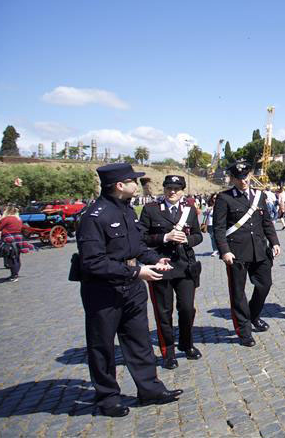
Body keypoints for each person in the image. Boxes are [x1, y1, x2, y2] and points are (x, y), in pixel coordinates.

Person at [76, 163, 182, 417]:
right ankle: (107, 398)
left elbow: (136, 246)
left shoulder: (127, 211)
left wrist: (153, 259)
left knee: (139, 340)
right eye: (133, 180)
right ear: (119, 185)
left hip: (132, 287)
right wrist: (137, 272)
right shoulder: (94, 216)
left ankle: (150, 389)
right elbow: (93, 262)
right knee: (102, 346)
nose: (138, 184)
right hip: (104, 291)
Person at [212, 160, 281, 347]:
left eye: (246, 176)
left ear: (250, 176)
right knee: (238, 293)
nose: (244, 181)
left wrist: (274, 242)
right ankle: (244, 331)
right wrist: (224, 251)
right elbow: (218, 228)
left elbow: (267, 221)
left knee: (265, 285)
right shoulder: (224, 198)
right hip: (236, 253)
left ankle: (254, 315)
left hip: (260, 250)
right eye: (239, 178)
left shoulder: (259, 196)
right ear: (233, 179)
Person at [139, 175, 204, 369]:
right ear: (164, 189)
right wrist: (164, 237)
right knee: (163, 312)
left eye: (176, 188)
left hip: (185, 266)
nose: (173, 191)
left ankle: (186, 343)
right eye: (169, 188)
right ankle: (168, 351)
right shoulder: (151, 210)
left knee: (187, 308)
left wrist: (188, 240)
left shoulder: (189, 210)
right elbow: (141, 237)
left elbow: (199, 235)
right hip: (161, 265)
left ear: (182, 190)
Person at [0, 206, 23, 282]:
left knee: (10, 258)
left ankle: (14, 275)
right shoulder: (18, 219)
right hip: (18, 239)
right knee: (16, 257)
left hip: (9, 239)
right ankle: (15, 274)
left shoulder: (6, 219)